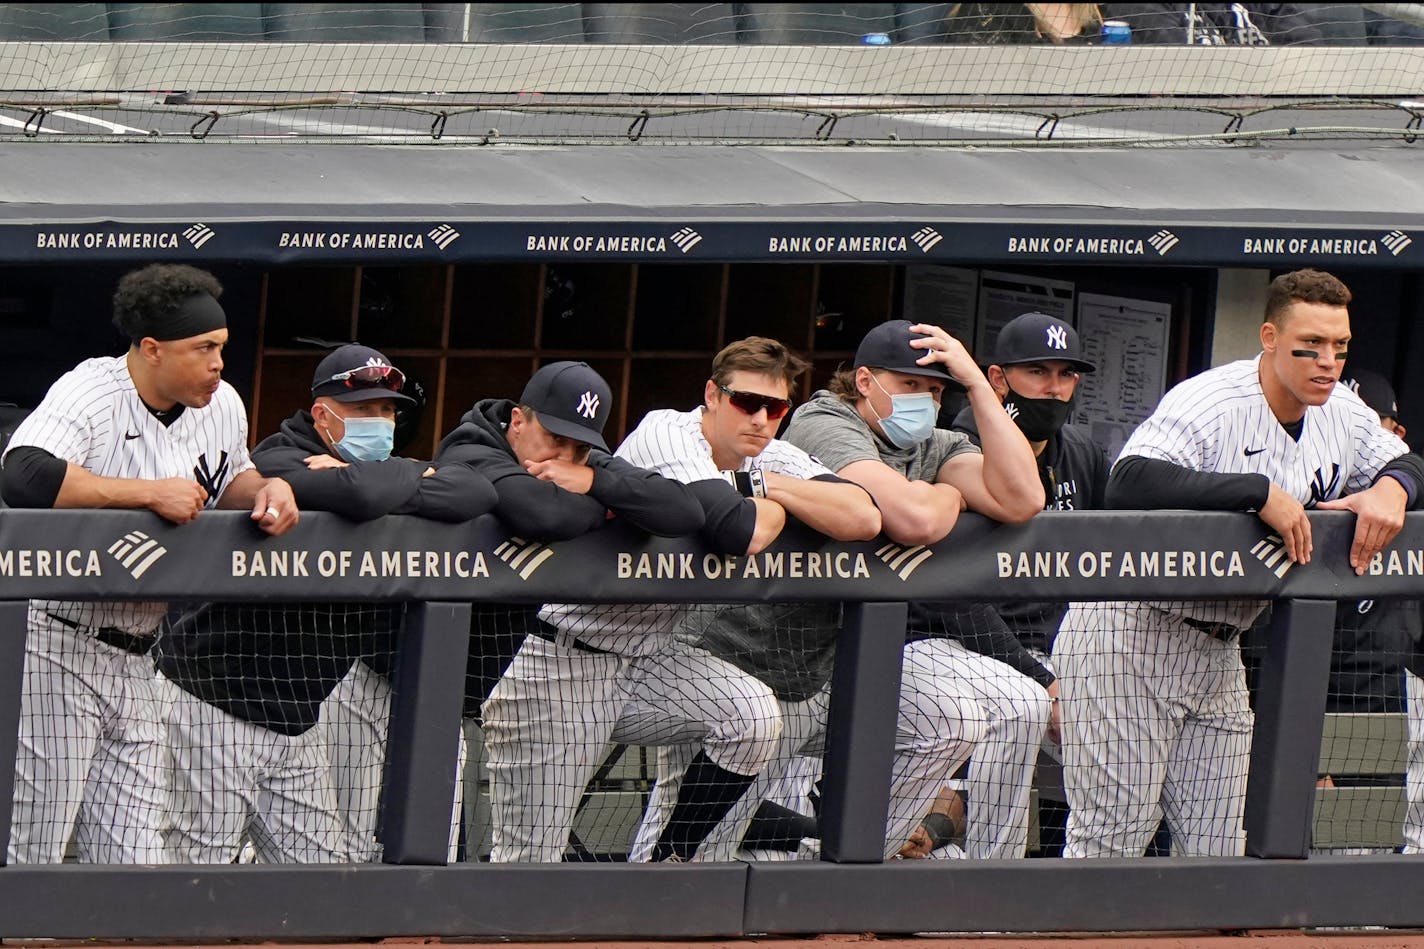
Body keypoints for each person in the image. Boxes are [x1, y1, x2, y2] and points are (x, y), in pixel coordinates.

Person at [1053, 268, 1424, 859]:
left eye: (1339, 347)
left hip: (1222, 645)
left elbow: (1408, 464)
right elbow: (1130, 480)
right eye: (1310, 347)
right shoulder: (1212, 399)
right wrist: (1255, 490)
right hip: (1130, 632)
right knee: (1113, 836)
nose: (1327, 362)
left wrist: (1392, 491)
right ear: (1271, 338)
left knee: (1220, 848)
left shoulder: (1345, 412)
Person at [0, 263, 298, 864]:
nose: (219, 363)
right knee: (34, 844)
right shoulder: (92, 391)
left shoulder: (221, 404)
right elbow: (24, 472)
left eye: (222, 348)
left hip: (142, 655)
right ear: (153, 349)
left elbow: (231, 474)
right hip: (56, 643)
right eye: (204, 349)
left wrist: (266, 488)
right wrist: (143, 492)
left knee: (132, 859)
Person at [156, 344, 496, 863]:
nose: (381, 421)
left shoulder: (370, 466)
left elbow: (476, 490)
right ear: (322, 413)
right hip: (212, 707)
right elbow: (360, 498)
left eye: (388, 410)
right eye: (365, 410)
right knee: (192, 881)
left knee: (321, 883)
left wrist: (381, 477)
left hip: (298, 723)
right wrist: (410, 475)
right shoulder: (273, 459)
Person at [782, 318, 1047, 859]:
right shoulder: (823, 421)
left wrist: (976, 383)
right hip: (773, 650)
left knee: (999, 709)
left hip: (858, 646)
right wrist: (947, 496)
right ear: (864, 382)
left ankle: (883, 863)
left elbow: (1023, 499)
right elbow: (914, 521)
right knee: (726, 837)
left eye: (933, 388)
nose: (924, 399)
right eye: (909, 385)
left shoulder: (938, 442)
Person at [434, 359, 713, 862]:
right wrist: (605, 505)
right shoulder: (472, 446)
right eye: (554, 439)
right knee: (390, 848)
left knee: (513, 856)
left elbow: (685, 511)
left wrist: (592, 481)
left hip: (479, 674)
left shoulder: (582, 463)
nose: (564, 456)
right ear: (519, 420)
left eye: (579, 447)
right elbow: (546, 514)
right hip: (399, 682)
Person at [895, 311, 1109, 859]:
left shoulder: (1081, 452)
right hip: (955, 647)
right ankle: (989, 872)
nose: (1054, 388)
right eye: (1038, 372)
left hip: (1059, 650)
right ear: (997, 378)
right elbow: (949, 594)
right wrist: (1042, 679)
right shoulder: (954, 446)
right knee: (1018, 710)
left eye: (1066, 374)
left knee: (1126, 739)